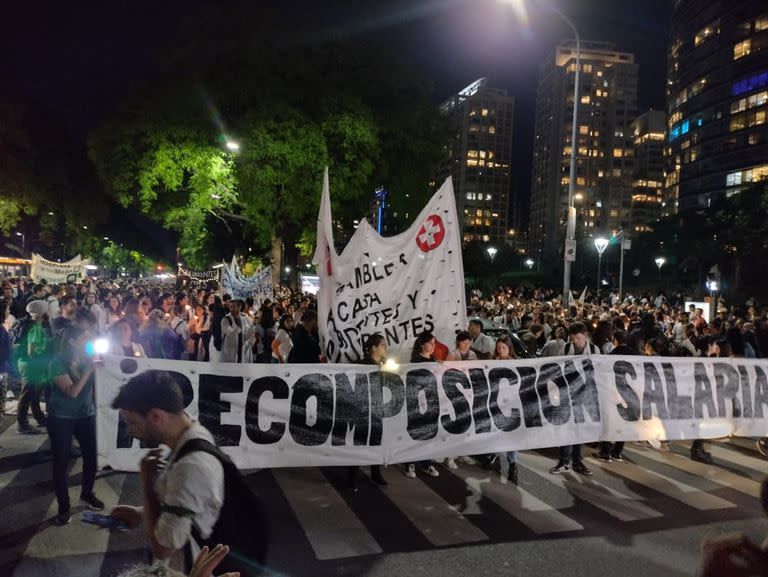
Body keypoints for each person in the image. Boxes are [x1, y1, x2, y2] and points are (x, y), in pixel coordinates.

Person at [109, 371, 225, 574]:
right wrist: (142, 513)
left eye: (132, 422)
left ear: (156, 416)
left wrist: (146, 481)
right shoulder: (191, 435)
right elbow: (187, 505)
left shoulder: (191, 467)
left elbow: (162, 548)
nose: (129, 431)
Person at [48, 325, 103, 525]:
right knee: (61, 462)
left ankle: (87, 493)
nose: (89, 341)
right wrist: (89, 370)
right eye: (84, 338)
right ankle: (64, 507)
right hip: (61, 418)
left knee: (91, 456)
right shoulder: (57, 363)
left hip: (86, 415)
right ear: (72, 341)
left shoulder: (90, 356)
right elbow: (72, 391)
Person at [548, 322, 597, 476]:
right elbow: (558, 367)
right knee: (566, 428)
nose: (574, 340)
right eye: (573, 337)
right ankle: (564, 461)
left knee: (579, 429)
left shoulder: (595, 350)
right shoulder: (567, 348)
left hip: (584, 395)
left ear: (585, 336)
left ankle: (577, 461)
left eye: (577, 337)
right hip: (567, 394)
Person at [347, 333, 389, 490]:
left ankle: (376, 473)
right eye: (383, 345)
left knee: (376, 442)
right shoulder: (362, 365)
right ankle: (352, 477)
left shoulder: (385, 363)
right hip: (363, 410)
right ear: (374, 347)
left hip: (379, 408)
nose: (386, 347)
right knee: (359, 443)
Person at [404, 332, 440, 478]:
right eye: (431, 343)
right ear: (422, 344)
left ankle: (426, 462)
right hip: (416, 403)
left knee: (429, 433)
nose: (433, 346)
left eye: (434, 343)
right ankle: (410, 463)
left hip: (431, 402)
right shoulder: (415, 361)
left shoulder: (433, 359)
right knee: (415, 432)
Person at [15, 300, 50, 435]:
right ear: (41, 312)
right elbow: (32, 352)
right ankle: (22, 424)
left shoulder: (32, 324)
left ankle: (39, 418)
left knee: (34, 393)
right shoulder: (35, 328)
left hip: (27, 363)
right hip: (30, 365)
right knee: (27, 394)